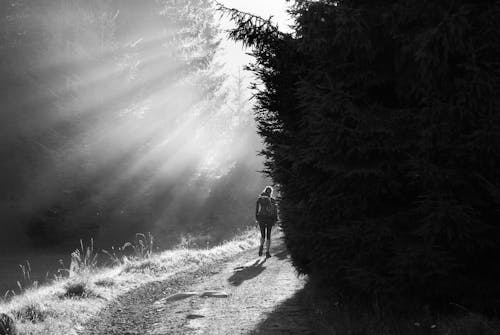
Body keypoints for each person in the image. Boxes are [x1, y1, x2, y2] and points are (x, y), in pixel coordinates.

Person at [255, 186, 278, 257]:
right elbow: (275, 211)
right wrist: (275, 219)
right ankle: (267, 252)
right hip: (269, 219)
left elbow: (257, 210)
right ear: (271, 192)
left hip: (261, 218)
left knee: (262, 235)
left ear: (265, 190)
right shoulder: (273, 200)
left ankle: (261, 246)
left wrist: (257, 218)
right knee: (268, 235)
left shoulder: (259, 199)